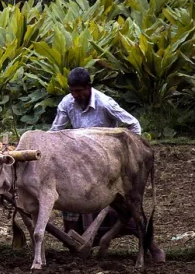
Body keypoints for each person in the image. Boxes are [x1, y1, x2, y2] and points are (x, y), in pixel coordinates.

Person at [50, 67, 164, 262]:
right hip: (81, 161)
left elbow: (133, 124)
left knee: (122, 206)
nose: (76, 95)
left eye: (79, 91)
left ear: (89, 87)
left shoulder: (105, 103)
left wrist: (129, 155)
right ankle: (91, 241)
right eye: (72, 91)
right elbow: (54, 132)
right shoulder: (67, 103)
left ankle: (152, 248)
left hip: (106, 161)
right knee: (72, 202)